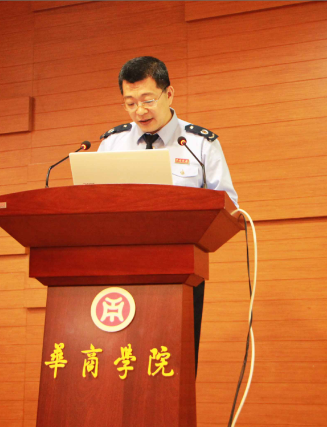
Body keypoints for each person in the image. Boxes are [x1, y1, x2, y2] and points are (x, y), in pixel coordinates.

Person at [98, 56, 239, 376]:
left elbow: (229, 206)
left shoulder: (199, 143)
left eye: (147, 100)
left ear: (169, 94)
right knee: (121, 365)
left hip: (182, 268)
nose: (139, 111)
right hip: (119, 269)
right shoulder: (112, 143)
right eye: (130, 103)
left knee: (175, 366)